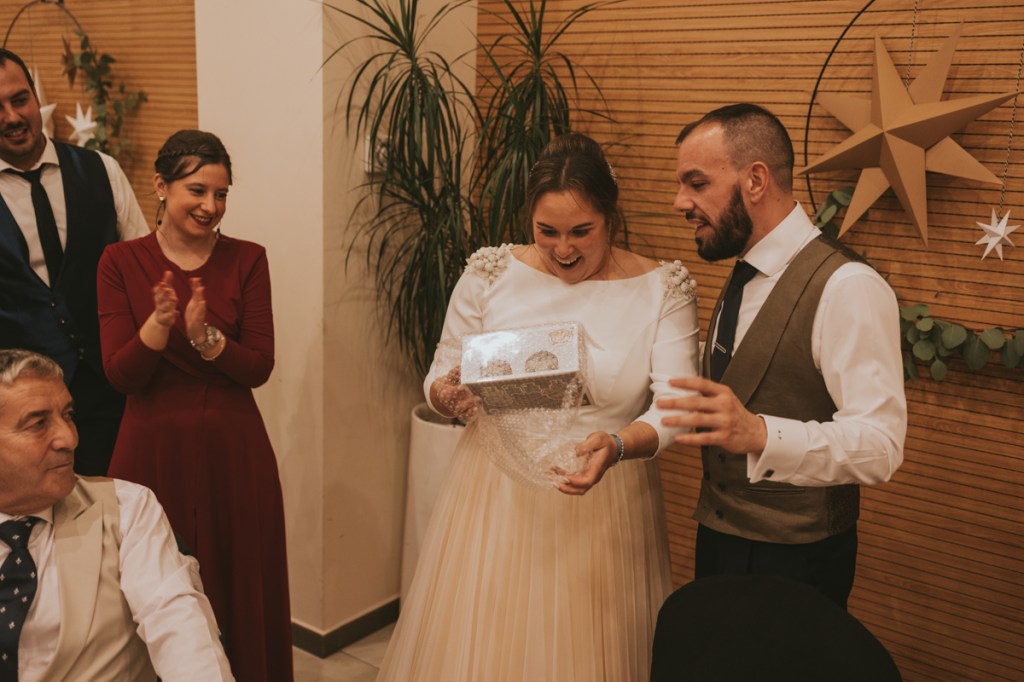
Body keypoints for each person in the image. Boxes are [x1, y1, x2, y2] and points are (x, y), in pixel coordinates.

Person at [378, 132, 700, 681]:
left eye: (581, 231)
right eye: (546, 232)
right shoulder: (490, 274)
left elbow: (677, 405)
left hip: (605, 494)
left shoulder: (662, 289)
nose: (563, 249)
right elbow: (440, 371)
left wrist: (618, 444)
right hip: (494, 493)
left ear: (610, 215)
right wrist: (447, 395)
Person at [658, 103, 907, 609]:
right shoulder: (745, 270)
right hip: (718, 539)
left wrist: (760, 434)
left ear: (755, 180)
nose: (680, 202)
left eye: (697, 183)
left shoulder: (848, 286)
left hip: (798, 561)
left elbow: (881, 446)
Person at [96, 130, 292, 681]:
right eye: (197, 191)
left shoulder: (248, 259)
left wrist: (207, 338)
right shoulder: (119, 261)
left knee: (239, 581)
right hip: (151, 446)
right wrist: (158, 327)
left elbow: (258, 367)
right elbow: (121, 376)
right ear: (161, 187)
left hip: (234, 447)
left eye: (222, 194)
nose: (211, 206)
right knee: (155, 587)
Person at [0, 348, 233, 681]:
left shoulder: (128, 509)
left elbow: (178, 623)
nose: (69, 438)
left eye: (68, 415)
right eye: (38, 424)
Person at [0, 48, 148, 476]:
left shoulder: (103, 170)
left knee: (119, 506)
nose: (11, 117)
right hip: (20, 414)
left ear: (35, 97)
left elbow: (142, 274)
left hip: (112, 394)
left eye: (19, 99)